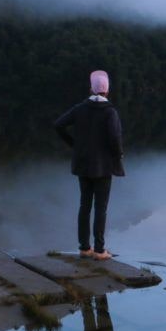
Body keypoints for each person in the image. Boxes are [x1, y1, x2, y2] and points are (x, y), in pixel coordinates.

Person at [54, 70, 125, 260]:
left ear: (91, 89)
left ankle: (85, 248)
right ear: (107, 91)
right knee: (100, 208)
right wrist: (118, 155)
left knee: (84, 205)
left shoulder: (80, 109)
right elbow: (115, 139)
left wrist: (74, 144)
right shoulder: (110, 112)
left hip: (83, 164)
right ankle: (100, 250)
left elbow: (58, 125)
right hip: (103, 168)